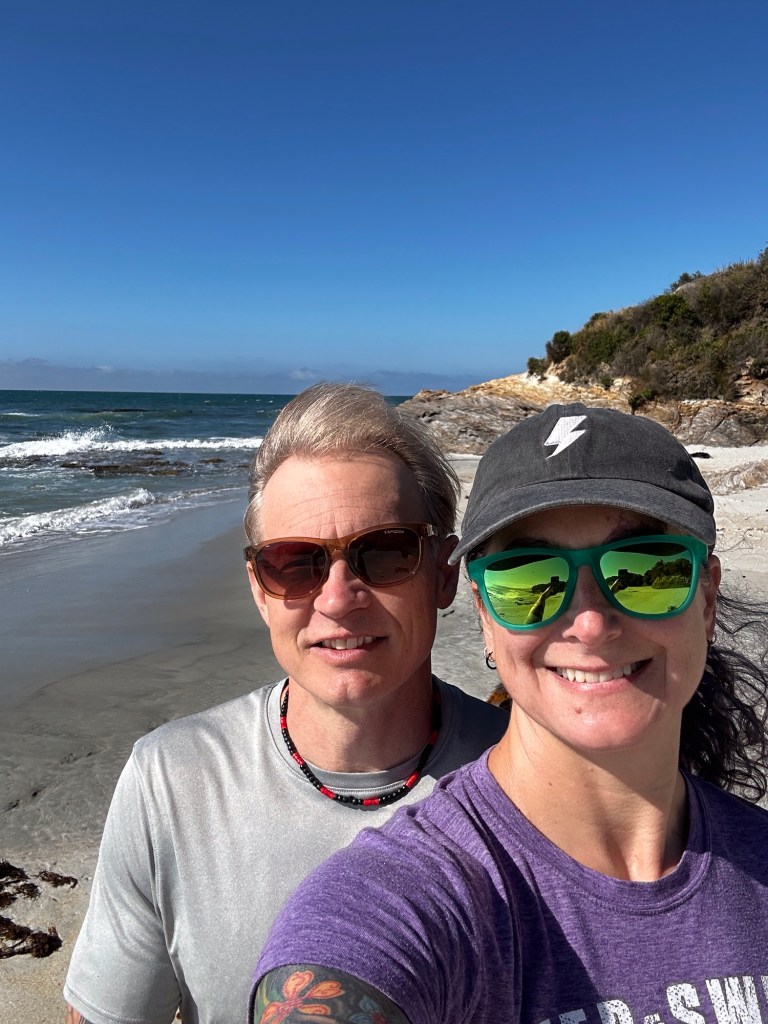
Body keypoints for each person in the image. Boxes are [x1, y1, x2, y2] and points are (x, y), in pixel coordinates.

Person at [251, 401, 768, 1024]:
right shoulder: (411, 892)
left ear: (706, 597)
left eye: (643, 570)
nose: (590, 623)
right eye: (528, 578)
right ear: (484, 615)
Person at [63, 383, 507, 1024]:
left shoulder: (529, 778)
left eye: (386, 552)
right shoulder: (171, 782)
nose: (337, 598)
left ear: (443, 572)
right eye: (295, 563)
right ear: (259, 588)